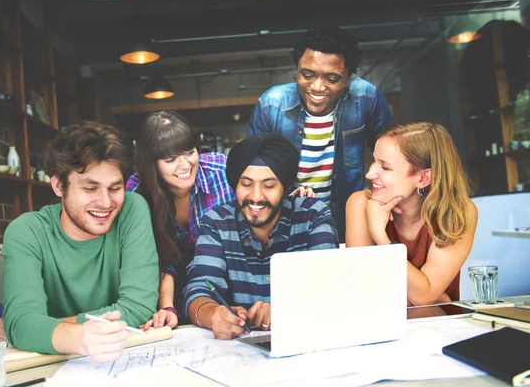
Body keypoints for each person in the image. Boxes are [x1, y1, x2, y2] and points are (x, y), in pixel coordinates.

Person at [2, 121, 159, 362]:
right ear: (58, 185)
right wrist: (79, 338)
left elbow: (138, 307)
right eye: (90, 188)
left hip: (122, 358)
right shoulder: (26, 231)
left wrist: (45, 327)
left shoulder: (132, 208)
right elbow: (22, 322)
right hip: (54, 365)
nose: (106, 203)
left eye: (115, 188)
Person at [184, 133, 339, 340]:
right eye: (246, 184)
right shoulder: (217, 223)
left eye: (269, 186)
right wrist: (213, 315)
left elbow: (331, 289)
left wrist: (285, 311)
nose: (256, 197)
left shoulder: (313, 216)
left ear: (285, 187)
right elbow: (199, 288)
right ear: (235, 185)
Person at [248, 26, 394, 242]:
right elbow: (254, 171)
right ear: (296, 69)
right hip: (287, 220)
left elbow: (391, 158)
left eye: (332, 79)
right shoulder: (271, 105)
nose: (317, 87)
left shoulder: (367, 98)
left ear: (348, 78)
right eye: (307, 75)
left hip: (348, 218)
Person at [345, 121, 478, 305]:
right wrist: (426, 294)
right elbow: (359, 289)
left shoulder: (458, 212)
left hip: (440, 324)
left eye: (385, 167)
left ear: (423, 178)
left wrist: (380, 237)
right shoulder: (360, 203)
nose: (370, 174)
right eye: (374, 161)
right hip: (381, 322)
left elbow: (424, 298)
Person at [126, 111, 235, 330]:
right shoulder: (136, 192)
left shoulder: (222, 171)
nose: (185, 165)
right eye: (170, 159)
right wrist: (166, 308)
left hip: (225, 286)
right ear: (152, 164)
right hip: (166, 293)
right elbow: (153, 256)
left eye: (189, 152)